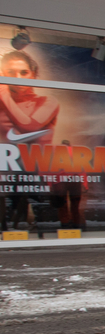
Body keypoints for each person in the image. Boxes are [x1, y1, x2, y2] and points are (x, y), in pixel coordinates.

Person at [1, 50, 62, 230]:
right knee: (9, 219)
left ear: (34, 75)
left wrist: (4, 94)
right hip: (6, 174)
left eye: (23, 72)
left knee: (41, 220)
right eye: (11, 73)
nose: (17, 77)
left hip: (35, 175)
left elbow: (28, 126)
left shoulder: (47, 101)